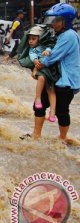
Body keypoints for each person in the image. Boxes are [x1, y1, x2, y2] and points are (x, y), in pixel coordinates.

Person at [32, 3, 79, 141]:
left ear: (66, 21)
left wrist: (36, 66)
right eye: (53, 20)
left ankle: (62, 138)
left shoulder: (68, 36)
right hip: (57, 79)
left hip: (66, 82)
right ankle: (36, 135)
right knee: (38, 105)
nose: (53, 23)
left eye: (57, 20)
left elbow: (51, 57)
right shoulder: (63, 34)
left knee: (61, 111)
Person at [28, 26, 58, 122]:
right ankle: (38, 98)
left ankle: (52, 112)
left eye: (33, 39)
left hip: (50, 70)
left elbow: (50, 48)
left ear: (40, 39)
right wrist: (36, 62)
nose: (30, 41)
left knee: (51, 90)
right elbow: (33, 57)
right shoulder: (32, 50)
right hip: (42, 69)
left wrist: (47, 51)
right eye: (29, 39)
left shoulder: (45, 46)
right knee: (41, 78)